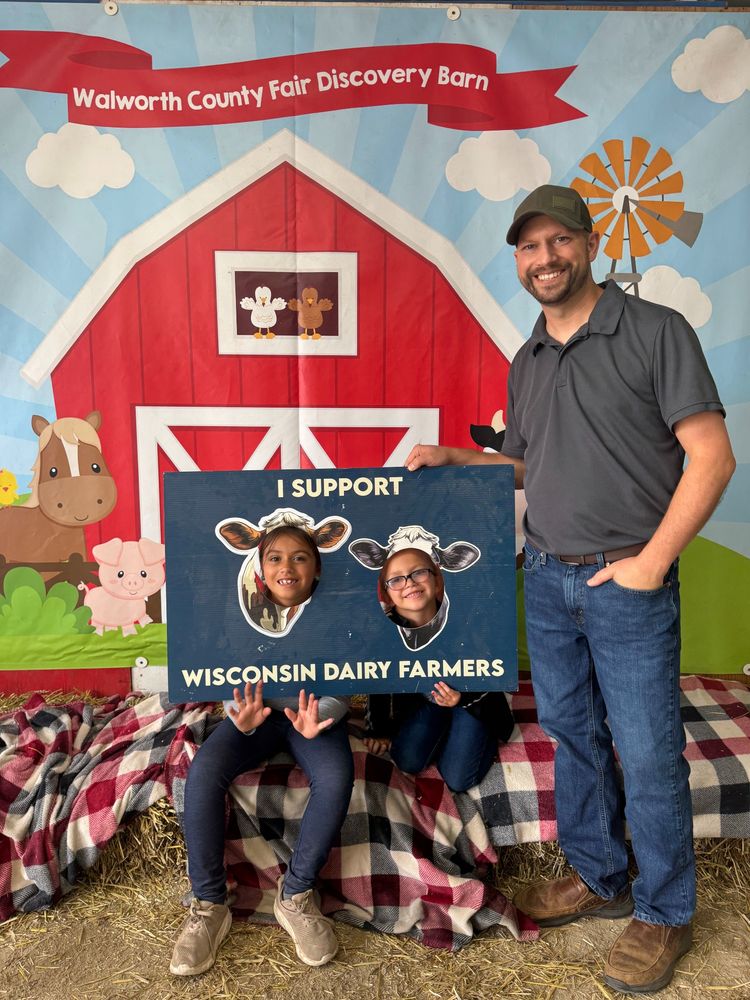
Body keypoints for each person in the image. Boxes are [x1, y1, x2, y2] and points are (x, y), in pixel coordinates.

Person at [405, 184, 735, 994]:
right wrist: (458, 456)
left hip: (627, 579)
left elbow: (712, 455)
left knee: (650, 752)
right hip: (547, 580)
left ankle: (662, 911)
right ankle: (600, 874)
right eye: (528, 246)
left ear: (589, 245)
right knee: (572, 731)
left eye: (558, 242)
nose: (543, 258)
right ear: (517, 259)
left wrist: (653, 561)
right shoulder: (529, 359)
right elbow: (530, 464)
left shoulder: (655, 332)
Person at [170, 526, 354, 976]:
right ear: (259, 567)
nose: (286, 568)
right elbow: (221, 672)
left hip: (312, 716)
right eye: (275, 558)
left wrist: (322, 715)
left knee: (335, 777)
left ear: (317, 568)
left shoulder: (341, 612)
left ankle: (295, 896)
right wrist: (235, 712)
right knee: (204, 770)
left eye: (299, 558)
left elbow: (352, 677)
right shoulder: (236, 612)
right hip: (255, 714)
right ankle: (210, 903)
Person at [364, 546, 514, 791]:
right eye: (397, 579)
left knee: (459, 779)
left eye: (419, 573)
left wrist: (463, 698)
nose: (409, 583)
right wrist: (376, 729)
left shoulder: (470, 621)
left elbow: (494, 673)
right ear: (388, 594)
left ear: (437, 580)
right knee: (408, 760)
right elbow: (378, 681)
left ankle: (462, 728)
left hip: (470, 701)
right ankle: (443, 727)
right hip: (424, 705)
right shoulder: (382, 635)